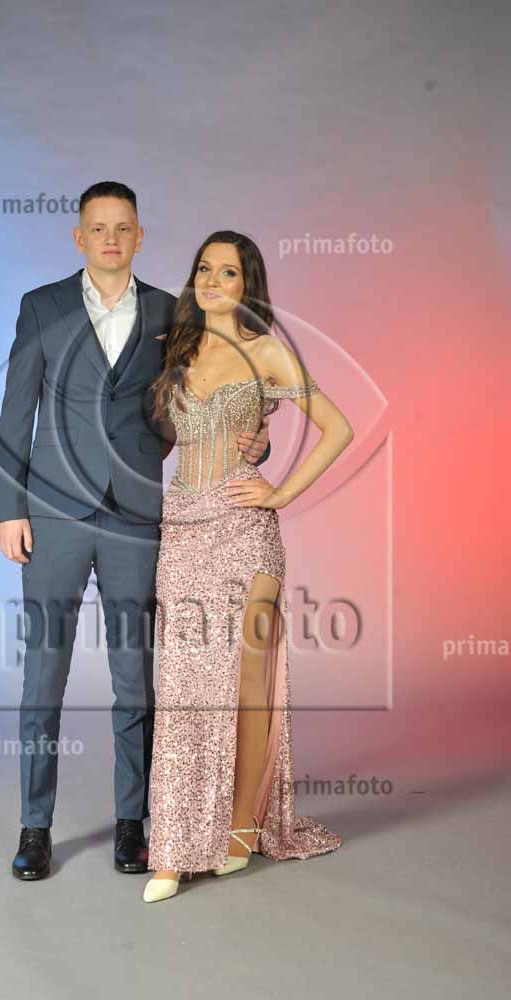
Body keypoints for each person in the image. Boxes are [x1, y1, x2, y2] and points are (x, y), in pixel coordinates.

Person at [0, 184, 272, 880]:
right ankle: (34, 827)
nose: (111, 238)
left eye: (123, 228)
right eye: (98, 228)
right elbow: (15, 412)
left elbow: (196, 401)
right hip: (53, 515)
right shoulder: (42, 306)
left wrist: (252, 439)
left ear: (140, 236)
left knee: (135, 679)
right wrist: (9, 509)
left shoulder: (168, 314)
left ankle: (131, 823)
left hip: (137, 517)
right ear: (79, 237)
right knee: (43, 678)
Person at [143, 230, 354, 902]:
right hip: (182, 530)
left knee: (248, 683)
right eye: (203, 269)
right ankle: (177, 843)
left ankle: (239, 829)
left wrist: (280, 490)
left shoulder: (267, 351)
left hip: (245, 531)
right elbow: (166, 438)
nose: (211, 281)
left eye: (227, 272)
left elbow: (339, 428)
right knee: (184, 687)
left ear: (246, 285)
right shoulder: (174, 349)